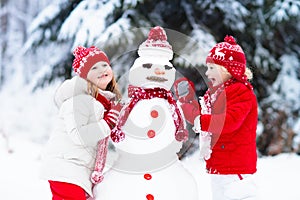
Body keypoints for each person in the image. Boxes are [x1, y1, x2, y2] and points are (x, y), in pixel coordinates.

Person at [176, 35, 259, 200]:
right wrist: (187, 100)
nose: (207, 72)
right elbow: (199, 117)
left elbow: (230, 121)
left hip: (236, 168)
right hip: (220, 165)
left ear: (227, 68)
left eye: (212, 68)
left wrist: (202, 121)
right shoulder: (214, 93)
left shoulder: (241, 91)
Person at [40, 45, 122, 199]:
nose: (101, 69)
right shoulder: (80, 100)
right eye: (94, 68)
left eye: (104, 65)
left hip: (76, 170)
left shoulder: (102, 103)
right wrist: (109, 122)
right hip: (67, 169)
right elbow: (79, 134)